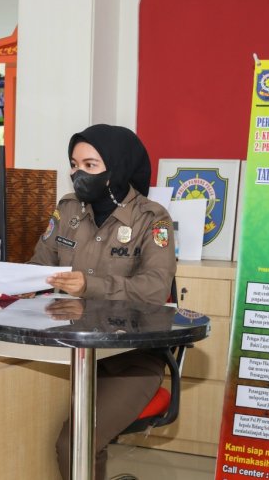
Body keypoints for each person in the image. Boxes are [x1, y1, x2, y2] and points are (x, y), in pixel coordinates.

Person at [28, 124, 177, 480]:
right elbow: (38, 267)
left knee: (73, 444)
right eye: (74, 165)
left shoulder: (151, 219)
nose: (79, 174)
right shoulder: (67, 211)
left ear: (117, 168)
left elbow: (155, 289)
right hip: (73, 351)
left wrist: (90, 286)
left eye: (90, 165)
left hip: (130, 358)